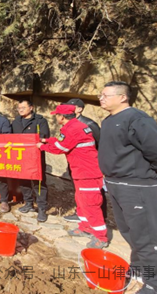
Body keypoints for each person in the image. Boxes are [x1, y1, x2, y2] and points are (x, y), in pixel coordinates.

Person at [98, 81, 157, 294]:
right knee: (130, 232)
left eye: (105, 95)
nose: (101, 98)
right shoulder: (109, 120)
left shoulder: (137, 119)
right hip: (115, 183)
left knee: (147, 237)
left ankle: (156, 285)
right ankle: (139, 269)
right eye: (101, 95)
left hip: (136, 185)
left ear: (122, 97)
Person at [38, 104, 108, 248]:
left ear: (62, 117)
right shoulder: (75, 126)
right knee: (81, 201)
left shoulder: (72, 129)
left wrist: (41, 147)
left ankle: (101, 237)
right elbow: (61, 141)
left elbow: (60, 148)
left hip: (87, 173)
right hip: (80, 172)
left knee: (91, 204)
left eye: (57, 115)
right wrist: (47, 140)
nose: (56, 117)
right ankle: (85, 227)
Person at [63, 98, 107, 223]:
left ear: (80, 109)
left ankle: (100, 217)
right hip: (75, 163)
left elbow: (101, 145)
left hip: (89, 165)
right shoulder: (68, 124)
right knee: (79, 191)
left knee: (94, 191)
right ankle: (81, 213)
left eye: (72, 107)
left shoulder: (90, 124)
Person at [11, 99, 50, 222]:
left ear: (31, 108)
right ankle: (28, 203)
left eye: (23, 107)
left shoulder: (40, 121)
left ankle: (42, 208)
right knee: (23, 181)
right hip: (20, 157)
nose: (20, 109)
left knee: (38, 183)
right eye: (19, 108)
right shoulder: (16, 121)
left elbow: (45, 137)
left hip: (35, 157)